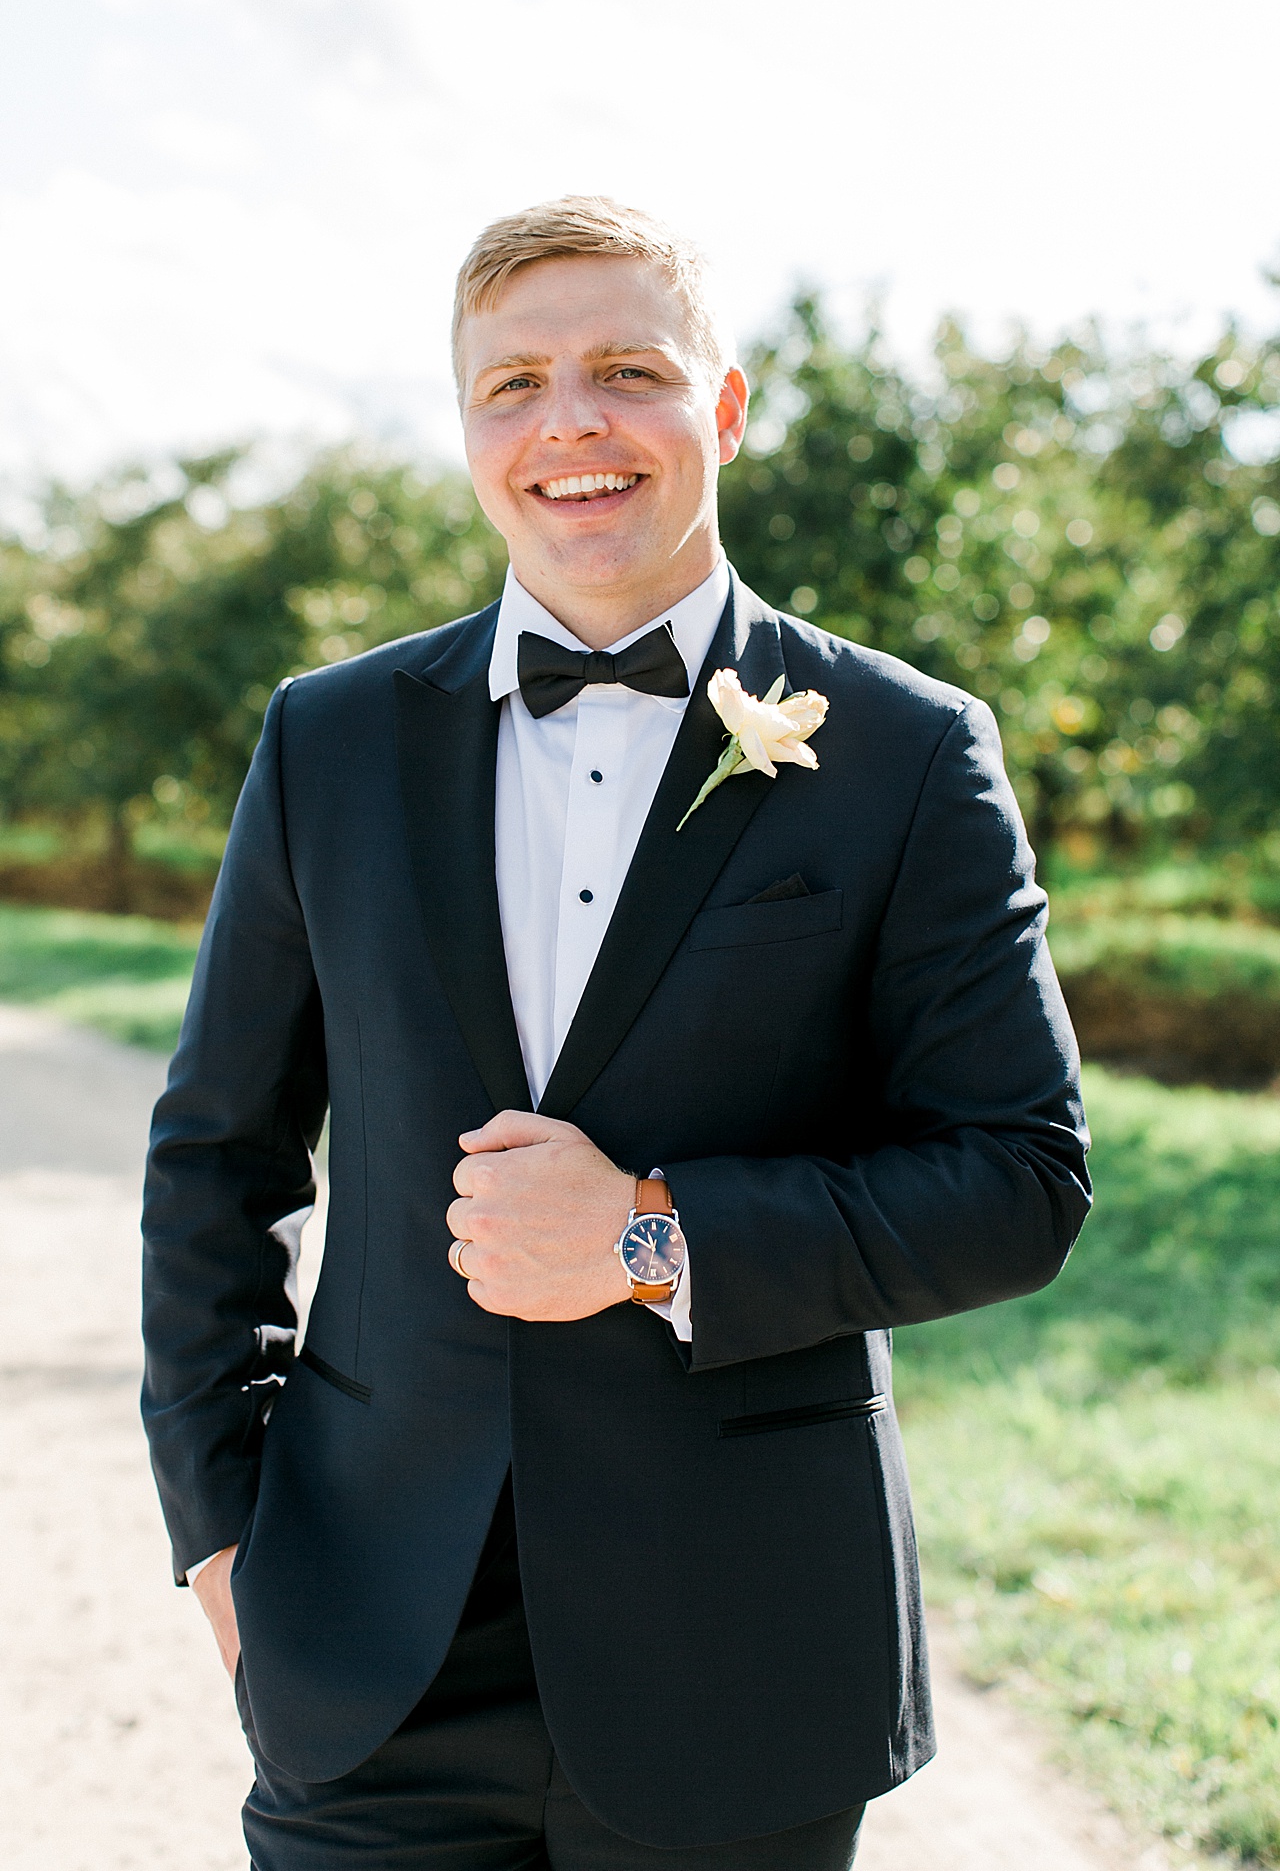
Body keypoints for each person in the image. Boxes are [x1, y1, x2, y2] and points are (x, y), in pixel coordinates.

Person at [141, 195, 1091, 1870]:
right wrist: (224, 1537)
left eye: (625, 371)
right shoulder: (328, 741)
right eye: (511, 384)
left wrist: (653, 1236)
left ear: (722, 411)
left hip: (742, 1650)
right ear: (465, 430)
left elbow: (1020, 1179)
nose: (567, 423)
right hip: (366, 1647)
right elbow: (217, 1154)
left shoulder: (906, 753)